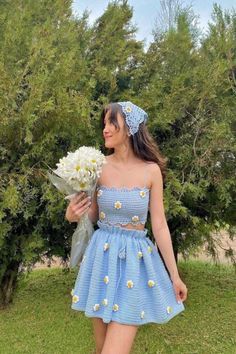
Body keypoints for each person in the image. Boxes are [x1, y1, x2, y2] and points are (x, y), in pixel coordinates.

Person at [65, 101, 188, 354]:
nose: (105, 129)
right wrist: (72, 214)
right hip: (100, 260)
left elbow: (160, 226)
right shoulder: (98, 168)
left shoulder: (151, 171)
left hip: (134, 265)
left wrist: (174, 276)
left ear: (130, 128)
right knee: (101, 350)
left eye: (112, 123)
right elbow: (92, 215)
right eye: (104, 124)